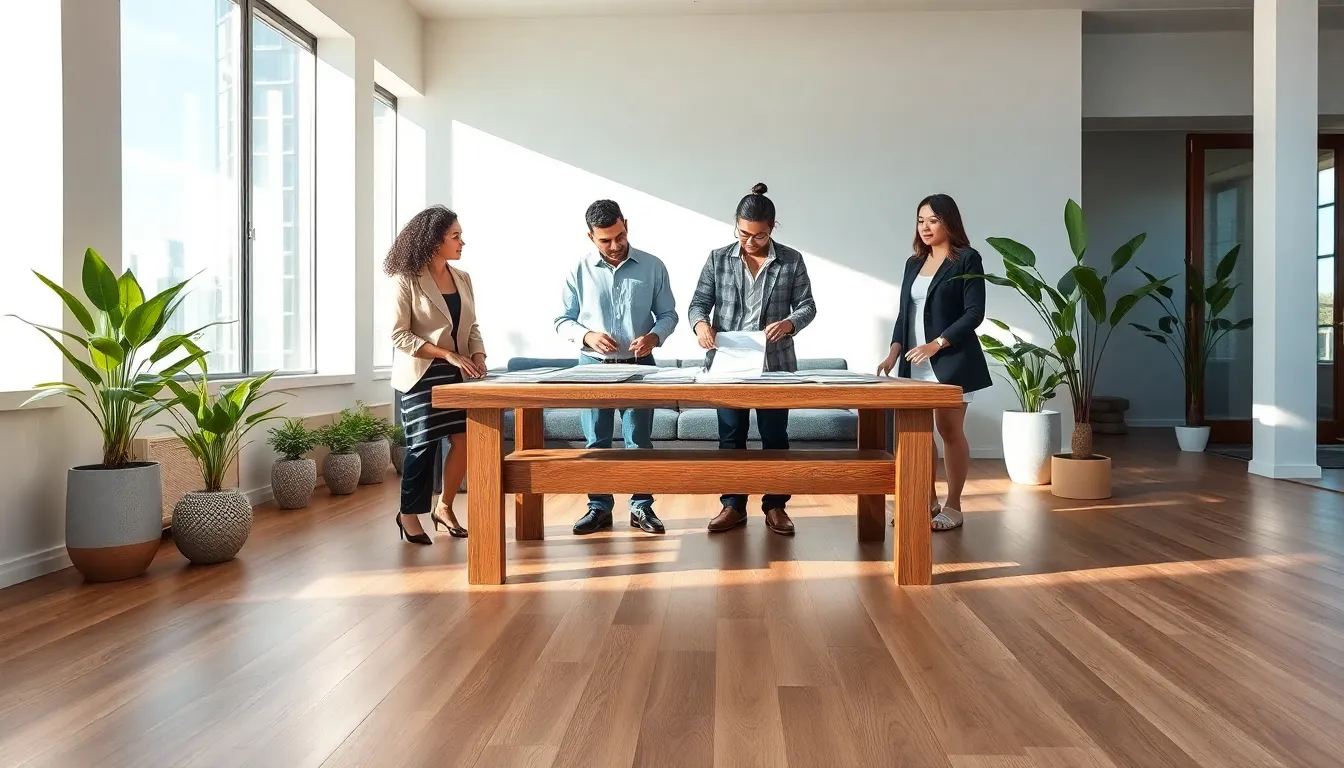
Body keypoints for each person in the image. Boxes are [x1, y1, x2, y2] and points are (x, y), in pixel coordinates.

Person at [687, 183, 817, 536]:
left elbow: (808, 306)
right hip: (728, 365)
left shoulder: (791, 260)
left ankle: (776, 506)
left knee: (775, 436)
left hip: (774, 365)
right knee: (731, 437)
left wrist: (790, 323)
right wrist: (700, 325)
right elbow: (698, 303)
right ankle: (732, 505)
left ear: (772, 228)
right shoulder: (718, 258)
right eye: (743, 233)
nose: (749, 242)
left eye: (758, 236)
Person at [556, 199, 679, 535]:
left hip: (641, 367)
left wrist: (655, 336)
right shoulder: (578, 271)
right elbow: (562, 320)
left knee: (639, 442)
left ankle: (641, 508)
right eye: (605, 240)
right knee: (596, 441)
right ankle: (598, 508)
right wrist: (586, 335)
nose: (614, 245)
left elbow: (668, 314)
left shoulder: (653, 266)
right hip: (592, 367)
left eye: (619, 236)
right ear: (590, 237)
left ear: (626, 225)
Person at [878, 193, 992, 531]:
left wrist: (936, 344)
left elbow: (975, 313)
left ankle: (953, 505)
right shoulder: (913, 263)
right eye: (920, 220)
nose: (925, 227)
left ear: (949, 222)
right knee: (917, 434)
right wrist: (894, 350)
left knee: (949, 431)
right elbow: (904, 313)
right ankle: (923, 500)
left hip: (952, 361)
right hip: (914, 364)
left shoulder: (967, 259)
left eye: (933, 220)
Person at [386, 205, 487, 544]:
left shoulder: (464, 278)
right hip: (422, 374)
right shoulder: (407, 280)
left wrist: (477, 355)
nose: (462, 242)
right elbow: (399, 335)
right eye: (455, 236)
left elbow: (471, 326)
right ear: (434, 242)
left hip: (460, 374)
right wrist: (447, 354)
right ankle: (408, 514)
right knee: (422, 447)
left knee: (464, 441)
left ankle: (443, 507)